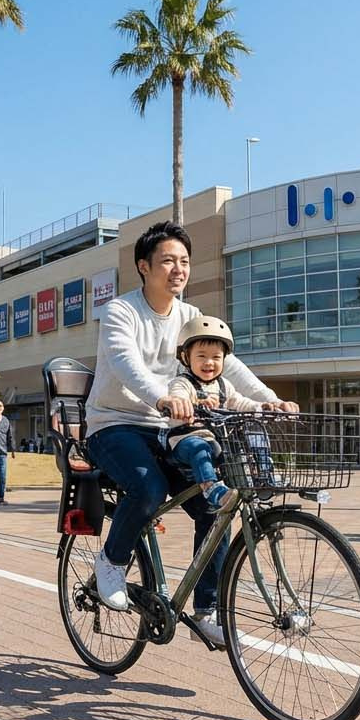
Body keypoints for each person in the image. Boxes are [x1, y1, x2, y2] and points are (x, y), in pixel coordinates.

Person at [85, 222, 295, 647]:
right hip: (115, 423)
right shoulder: (120, 312)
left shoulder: (191, 318)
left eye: (183, 261)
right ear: (143, 267)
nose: (177, 269)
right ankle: (111, 560)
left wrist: (269, 399)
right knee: (148, 487)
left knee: (217, 504)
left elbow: (228, 366)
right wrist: (164, 396)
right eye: (167, 260)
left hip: (172, 430)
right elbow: (127, 364)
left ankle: (207, 608)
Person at [166, 316, 278, 513]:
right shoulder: (182, 383)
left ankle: (264, 475)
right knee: (199, 447)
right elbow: (178, 397)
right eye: (201, 356)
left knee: (254, 433)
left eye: (216, 357)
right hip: (185, 440)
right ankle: (211, 489)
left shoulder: (224, 385)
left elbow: (241, 402)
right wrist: (194, 403)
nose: (209, 362)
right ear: (186, 357)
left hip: (218, 441)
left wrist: (263, 407)